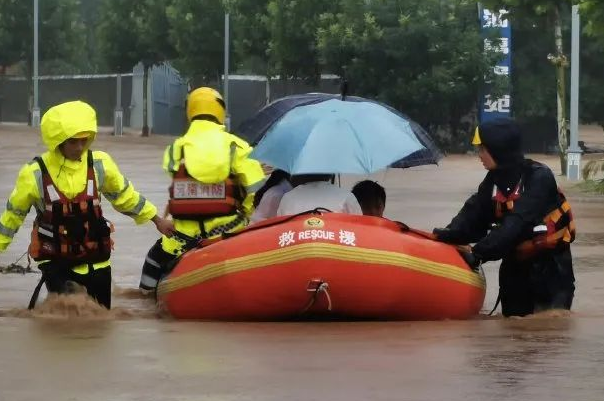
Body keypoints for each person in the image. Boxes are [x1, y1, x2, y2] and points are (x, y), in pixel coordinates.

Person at [0, 100, 174, 309]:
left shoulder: (100, 164)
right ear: (58, 141)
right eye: (73, 142)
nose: (80, 147)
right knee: (68, 320)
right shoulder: (34, 173)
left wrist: (157, 219)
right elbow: (12, 218)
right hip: (57, 264)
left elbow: (125, 196)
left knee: (99, 324)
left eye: (84, 140)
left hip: (98, 263)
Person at [433, 118, 575, 317]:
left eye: (482, 149)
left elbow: (517, 222)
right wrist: (445, 236)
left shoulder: (539, 178)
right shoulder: (492, 183)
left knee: (548, 330)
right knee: (512, 332)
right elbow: (472, 218)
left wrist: (478, 253)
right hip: (515, 272)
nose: (479, 155)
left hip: (551, 272)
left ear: (498, 150)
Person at [139, 87, 265, 292]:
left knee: (153, 260)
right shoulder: (237, 146)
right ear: (220, 110)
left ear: (190, 111)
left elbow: (173, 173)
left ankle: (146, 296)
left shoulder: (176, 148)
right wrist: (246, 213)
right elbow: (257, 189)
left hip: (183, 238)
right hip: (230, 233)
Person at [277, 174, 362, 216]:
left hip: (299, 249)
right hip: (337, 249)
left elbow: (280, 231)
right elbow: (359, 228)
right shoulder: (346, 196)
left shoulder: (288, 198)